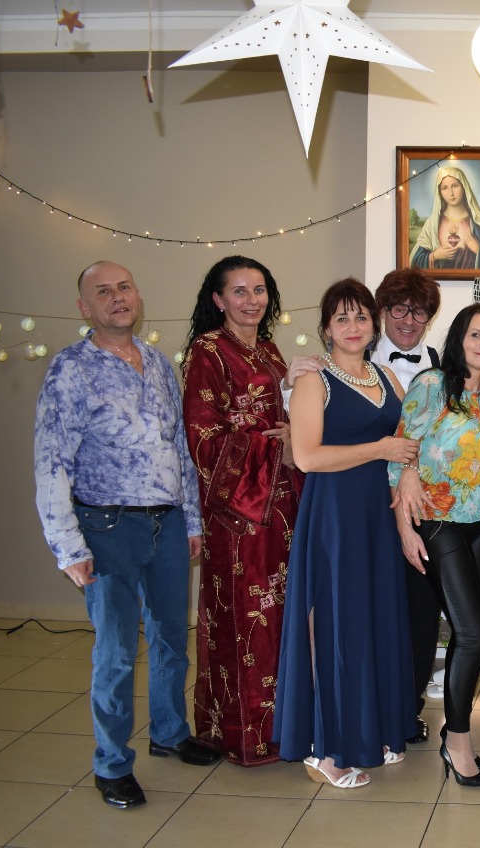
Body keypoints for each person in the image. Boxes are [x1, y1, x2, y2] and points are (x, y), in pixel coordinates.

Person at [34, 261, 221, 810]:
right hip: (105, 527)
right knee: (116, 652)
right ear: (84, 307)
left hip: (167, 523)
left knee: (171, 639)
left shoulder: (159, 364)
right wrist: (67, 545)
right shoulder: (71, 369)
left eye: (124, 288)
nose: (117, 298)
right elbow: (51, 461)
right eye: (103, 292)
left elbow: (180, 447)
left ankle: (169, 733)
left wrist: (191, 520)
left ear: (137, 296)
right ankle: (112, 764)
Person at [273, 278, 419, 789]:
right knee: (338, 625)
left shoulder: (387, 377)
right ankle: (327, 751)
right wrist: (380, 450)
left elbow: (409, 442)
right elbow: (307, 457)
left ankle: (370, 732)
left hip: (379, 516)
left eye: (361, 317)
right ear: (326, 329)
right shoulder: (315, 381)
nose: (353, 326)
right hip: (335, 515)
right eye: (342, 318)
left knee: (375, 620)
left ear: (373, 325)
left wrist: (407, 470)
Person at [182, 256, 304, 766]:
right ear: (218, 299)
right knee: (244, 621)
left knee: (281, 619)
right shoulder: (207, 352)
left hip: (283, 508)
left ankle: (284, 728)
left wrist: (298, 434)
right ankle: (242, 735)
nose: (251, 300)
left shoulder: (270, 351)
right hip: (239, 514)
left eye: (259, 290)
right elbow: (203, 439)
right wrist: (276, 446)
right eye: (239, 291)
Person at [390, 304, 480, 787]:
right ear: (459, 338)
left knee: (467, 634)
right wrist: (404, 528)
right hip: (436, 521)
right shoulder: (432, 384)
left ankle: (454, 731)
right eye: (475, 335)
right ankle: (458, 738)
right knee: (475, 633)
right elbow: (400, 454)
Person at [372, 267, 443, 747]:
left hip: (422, 509)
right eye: (399, 309)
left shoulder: (441, 364)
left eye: (419, 312)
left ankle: (409, 706)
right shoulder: (353, 360)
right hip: (367, 502)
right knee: (372, 608)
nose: (409, 321)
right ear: (383, 311)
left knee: (421, 611)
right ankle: (370, 704)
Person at [411, 166, 480, 270]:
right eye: (444, 188)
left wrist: (478, 250)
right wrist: (434, 256)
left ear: (464, 188)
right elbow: (415, 262)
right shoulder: (432, 223)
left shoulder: (479, 223)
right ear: (440, 192)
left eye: (455, 186)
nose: (451, 193)